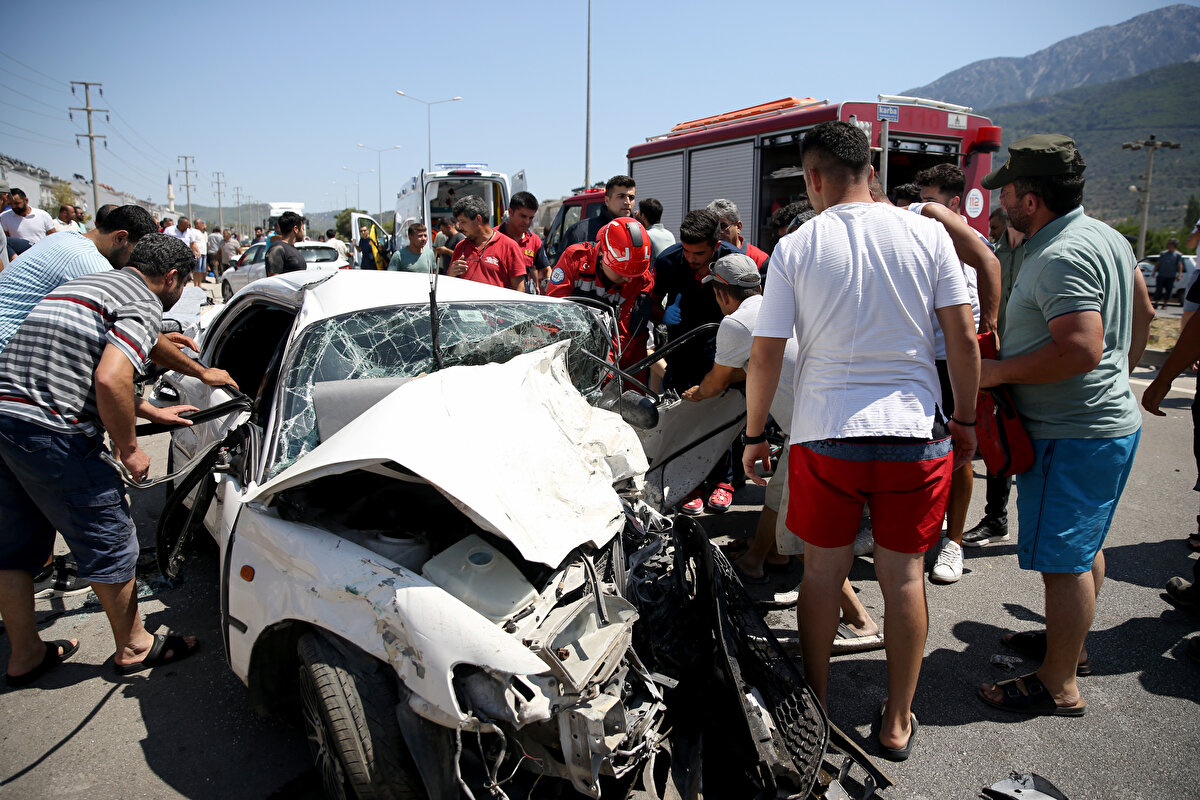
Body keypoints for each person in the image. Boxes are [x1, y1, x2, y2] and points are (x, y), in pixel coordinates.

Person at [742, 120, 978, 760]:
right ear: (870, 170)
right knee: (904, 577)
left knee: (822, 574)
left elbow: (766, 354)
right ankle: (898, 720)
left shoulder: (797, 246)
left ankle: (813, 707)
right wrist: (965, 419)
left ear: (814, 178)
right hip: (914, 430)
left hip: (826, 434)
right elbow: (960, 337)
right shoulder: (929, 234)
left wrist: (755, 432)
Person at [976, 134, 1148, 719]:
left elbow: (1079, 349)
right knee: (1084, 549)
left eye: (1009, 192)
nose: (1002, 202)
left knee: (1063, 562)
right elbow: (1143, 314)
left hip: (1072, 433)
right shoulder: (1107, 238)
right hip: (1102, 423)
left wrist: (995, 371)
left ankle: (1058, 683)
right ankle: (1066, 648)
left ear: (1032, 200)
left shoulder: (1060, 255)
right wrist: (1119, 376)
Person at [0, 234, 202, 686]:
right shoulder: (142, 301)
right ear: (171, 277)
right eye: (184, 283)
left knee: (13, 548)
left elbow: (79, 363)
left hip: (6, 417)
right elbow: (110, 379)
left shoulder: (90, 285)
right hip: (53, 430)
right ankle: (135, 646)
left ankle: (26, 653)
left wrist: (148, 409)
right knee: (107, 532)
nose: (181, 291)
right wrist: (129, 449)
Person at [913, 162, 998, 585]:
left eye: (931, 200)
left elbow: (989, 269)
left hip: (953, 362)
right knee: (915, 451)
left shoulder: (969, 240)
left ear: (954, 202)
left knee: (957, 452)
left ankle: (955, 541)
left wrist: (990, 328)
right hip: (919, 359)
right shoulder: (919, 232)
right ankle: (917, 532)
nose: (924, 207)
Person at [651, 209, 742, 513]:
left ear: (716, 246)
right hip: (682, 348)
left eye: (699, 253)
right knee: (681, 417)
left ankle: (723, 481)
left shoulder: (734, 264)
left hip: (723, 348)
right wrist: (661, 315)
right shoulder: (667, 261)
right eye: (687, 251)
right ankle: (689, 484)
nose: (690, 258)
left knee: (719, 414)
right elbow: (649, 303)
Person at [964, 207, 1026, 547]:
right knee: (996, 434)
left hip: (1023, 358)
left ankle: (1011, 519)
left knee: (1011, 436)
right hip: (997, 354)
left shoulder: (1041, 249)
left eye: (999, 227)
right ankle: (996, 518)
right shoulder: (998, 249)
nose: (995, 232)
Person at [545, 216, 655, 370]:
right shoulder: (575, 260)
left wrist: (603, 371)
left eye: (633, 274)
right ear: (603, 255)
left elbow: (623, 336)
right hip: (568, 346)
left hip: (621, 353)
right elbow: (552, 314)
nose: (628, 280)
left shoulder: (642, 280)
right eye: (622, 273)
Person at [448, 196, 526, 291]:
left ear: (478, 219)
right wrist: (451, 274)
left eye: (463, 222)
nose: (459, 227)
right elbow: (451, 286)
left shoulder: (509, 246)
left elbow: (519, 288)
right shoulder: (460, 247)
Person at [562, 175, 637, 248]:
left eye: (631, 197)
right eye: (621, 196)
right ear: (607, 201)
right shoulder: (579, 232)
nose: (627, 202)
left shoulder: (641, 231)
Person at [498, 191, 548, 292]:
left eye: (531, 218)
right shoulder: (493, 237)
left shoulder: (535, 241)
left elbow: (546, 269)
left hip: (522, 302)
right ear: (511, 212)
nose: (527, 222)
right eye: (523, 216)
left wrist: (547, 285)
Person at [707, 198, 770, 272]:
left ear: (738, 227)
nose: (717, 232)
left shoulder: (759, 259)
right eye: (712, 227)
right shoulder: (702, 256)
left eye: (722, 226)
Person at [1153, 238, 1185, 309]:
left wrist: (1179, 275)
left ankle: (1165, 304)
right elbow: (1158, 263)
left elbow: (1180, 265)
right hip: (1161, 275)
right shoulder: (1163, 254)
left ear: (1173, 245)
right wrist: (1154, 272)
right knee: (1158, 290)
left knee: (1168, 291)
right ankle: (1156, 303)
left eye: (1169, 243)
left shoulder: (1178, 255)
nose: (1167, 245)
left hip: (1171, 276)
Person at [189, 219, 209, 286]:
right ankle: (196, 284)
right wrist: (194, 251)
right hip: (198, 253)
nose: (203, 225)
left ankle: (200, 283)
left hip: (203, 253)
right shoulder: (193, 231)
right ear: (197, 224)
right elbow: (192, 242)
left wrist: (205, 253)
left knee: (201, 270)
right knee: (196, 270)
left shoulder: (203, 233)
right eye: (201, 223)